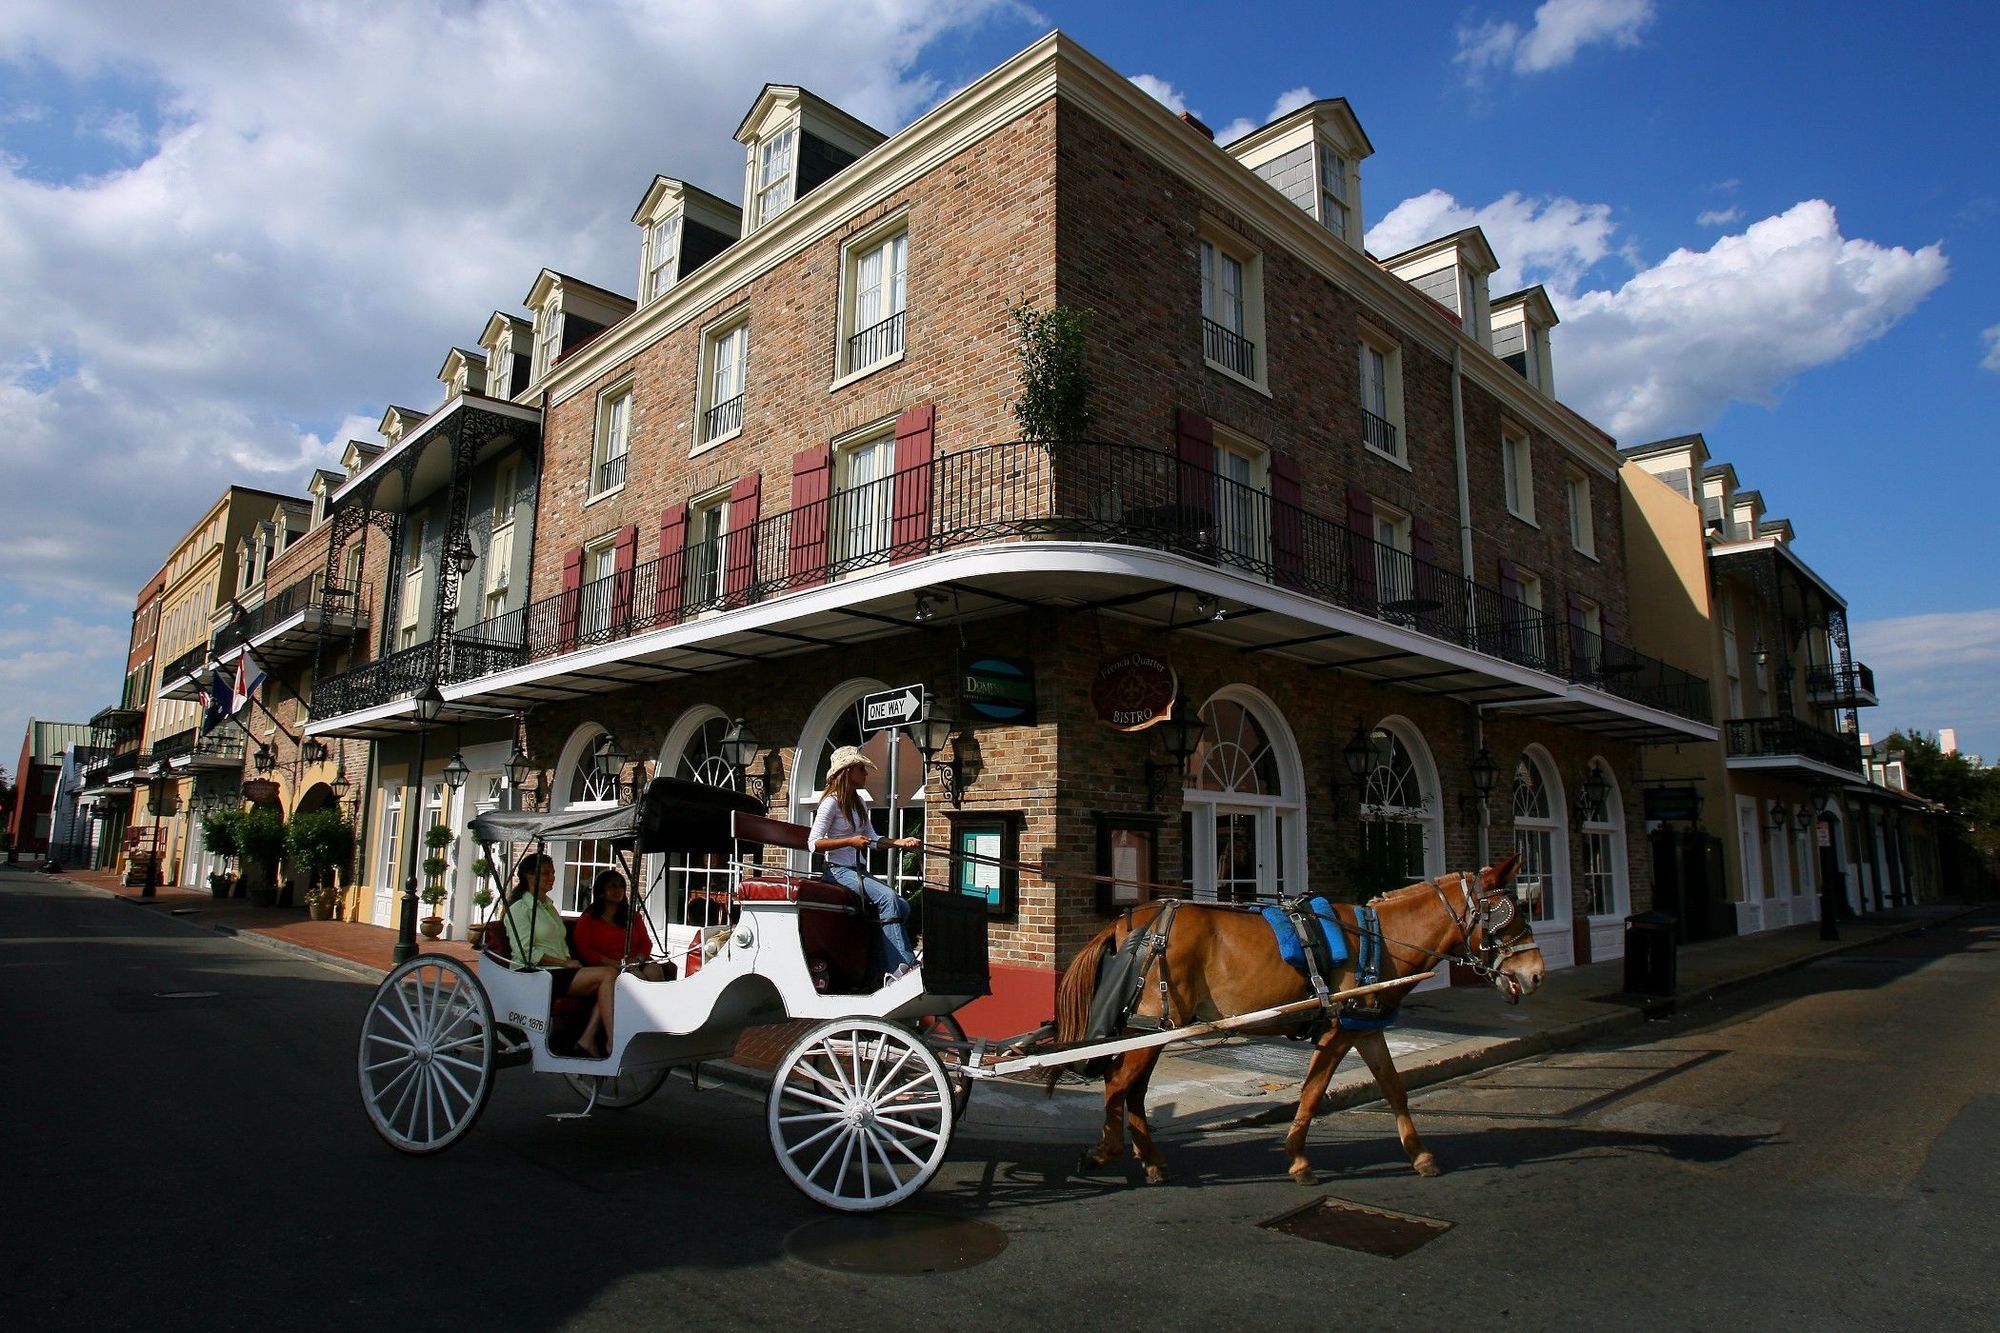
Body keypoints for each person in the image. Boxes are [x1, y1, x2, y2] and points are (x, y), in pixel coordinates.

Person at [809, 745, 921, 983]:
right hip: (837, 871)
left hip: (858, 871)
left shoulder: (859, 802)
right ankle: (902, 966)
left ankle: (880, 968)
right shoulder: (831, 802)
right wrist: (850, 840)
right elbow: (814, 843)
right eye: (861, 768)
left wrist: (899, 842)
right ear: (847, 771)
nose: (866, 773)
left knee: (903, 906)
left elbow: (872, 840)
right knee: (888, 898)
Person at [501, 852, 619, 1058]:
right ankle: (612, 1043)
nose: (552, 877)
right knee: (608, 974)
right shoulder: (519, 909)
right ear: (530, 877)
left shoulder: (549, 907)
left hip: (558, 971)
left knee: (613, 980)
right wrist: (565, 964)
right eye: (546, 873)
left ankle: (588, 1038)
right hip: (535, 973)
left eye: (553, 873)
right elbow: (526, 952)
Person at [574, 868, 674, 982]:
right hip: (608, 964)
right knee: (636, 978)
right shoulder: (589, 918)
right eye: (613, 886)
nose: (618, 890)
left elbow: (645, 942)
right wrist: (616, 963)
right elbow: (585, 950)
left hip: (637, 961)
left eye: (621, 886)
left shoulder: (632, 915)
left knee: (655, 972)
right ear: (601, 892)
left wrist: (638, 959)